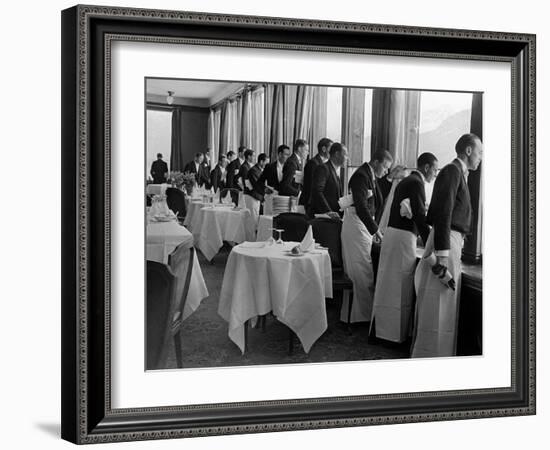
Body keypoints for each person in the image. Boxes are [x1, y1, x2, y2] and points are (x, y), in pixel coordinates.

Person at [411, 133, 482, 358]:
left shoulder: (458, 174)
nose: (481, 158)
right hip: (447, 242)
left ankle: (438, 353)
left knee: (444, 301)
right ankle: (430, 355)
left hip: (451, 241)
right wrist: (442, 256)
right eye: (479, 153)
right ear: (468, 151)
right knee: (438, 299)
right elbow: (443, 213)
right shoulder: (452, 171)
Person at [370, 152, 438, 343]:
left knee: (388, 285)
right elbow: (418, 215)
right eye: (434, 169)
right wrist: (431, 244)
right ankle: (392, 336)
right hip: (402, 239)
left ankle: (384, 332)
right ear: (426, 167)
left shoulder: (408, 181)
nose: (435, 173)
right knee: (400, 286)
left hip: (395, 237)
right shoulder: (416, 183)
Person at [340, 149, 393, 323]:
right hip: (356, 226)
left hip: (361, 226)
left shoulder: (368, 175)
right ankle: (363, 317)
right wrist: (376, 230)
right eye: (385, 168)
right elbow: (362, 207)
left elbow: (377, 196)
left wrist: (391, 179)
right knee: (361, 272)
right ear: (376, 162)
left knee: (362, 271)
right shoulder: (361, 176)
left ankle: (357, 316)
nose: (385, 172)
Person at [310, 142, 348, 218]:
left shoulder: (334, 170)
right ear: (337, 154)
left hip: (334, 218)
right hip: (324, 218)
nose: (347, 158)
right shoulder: (323, 168)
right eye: (346, 155)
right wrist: (328, 211)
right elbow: (317, 191)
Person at [300, 137, 333, 215]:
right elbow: (312, 187)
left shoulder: (324, 164)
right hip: (311, 205)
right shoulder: (313, 163)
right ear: (324, 149)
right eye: (331, 149)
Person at [245, 153, 269, 224]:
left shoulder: (260, 170)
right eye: (266, 163)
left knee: (256, 219)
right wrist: (266, 191)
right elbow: (257, 186)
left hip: (257, 197)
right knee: (253, 220)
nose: (267, 165)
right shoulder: (254, 170)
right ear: (261, 161)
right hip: (252, 197)